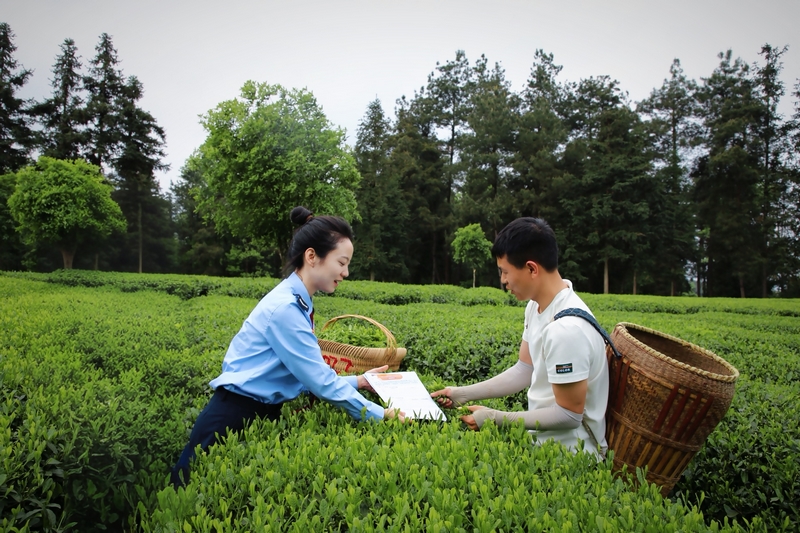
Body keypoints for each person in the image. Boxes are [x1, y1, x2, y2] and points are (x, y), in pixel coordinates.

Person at [171, 206, 403, 487]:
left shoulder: (299, 301)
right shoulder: (286, 309)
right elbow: (320, 382)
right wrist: (382, 415)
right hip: (232, 416)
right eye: (341, 263)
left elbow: (302, 375)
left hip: (253, 412)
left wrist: (360, 381)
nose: (346, 272)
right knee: (185, 495)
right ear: (312, 256)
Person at [431, 217, 609, 457]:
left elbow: (569, 415)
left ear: (532, 268)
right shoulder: (537, 307)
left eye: (505, 272)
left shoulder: (567, 330)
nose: (503, 281)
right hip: (542, 445)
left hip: (572, 457)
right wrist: (461, 393)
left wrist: (497, 418)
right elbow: (524, 369)